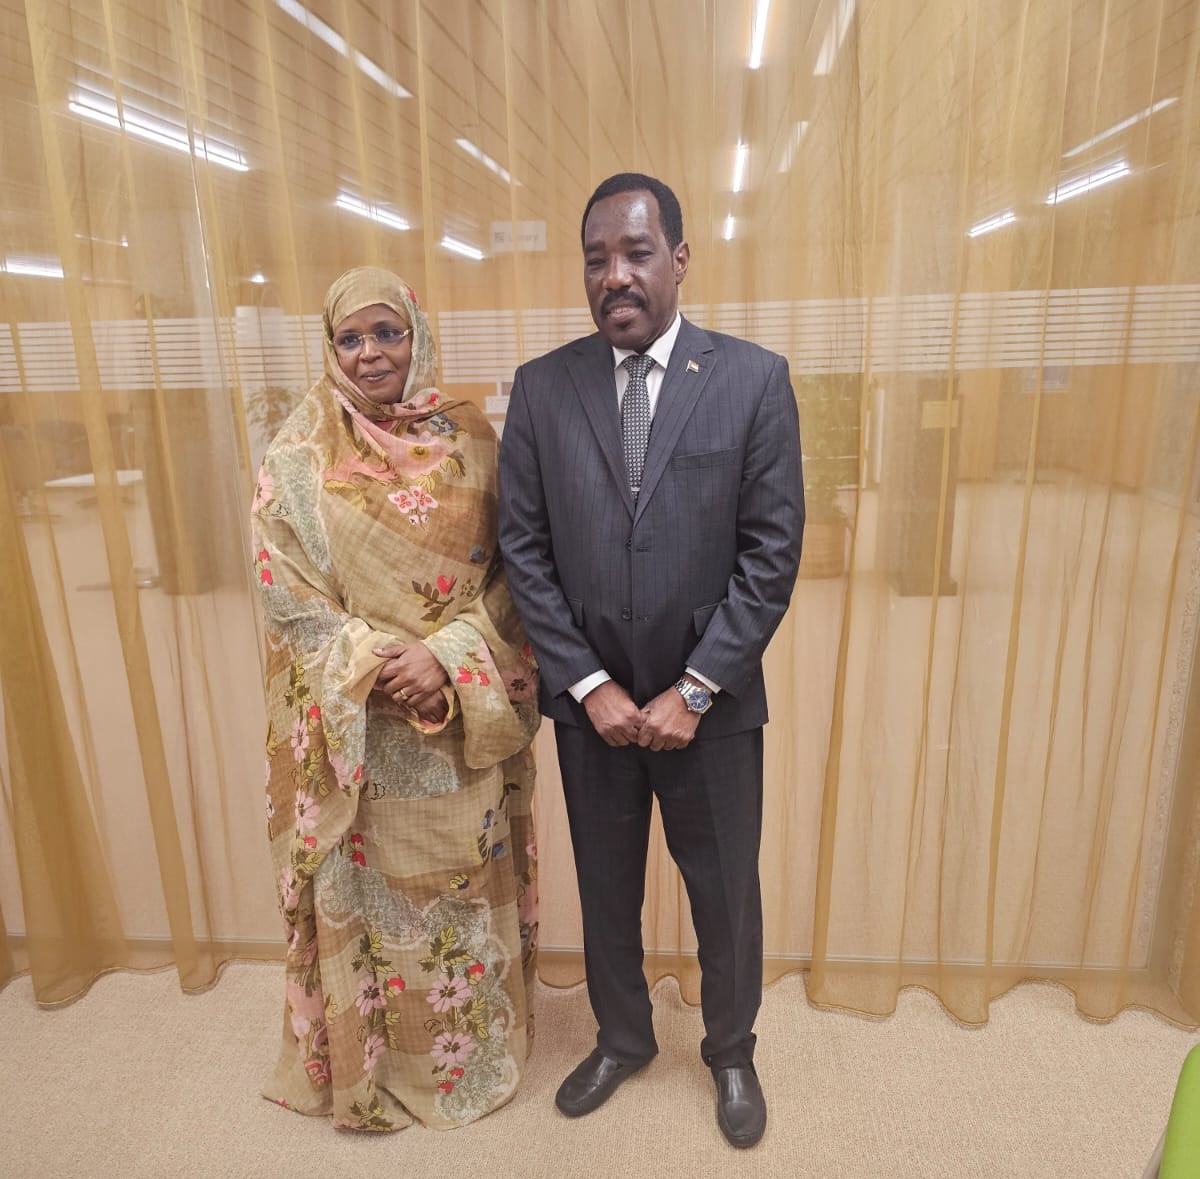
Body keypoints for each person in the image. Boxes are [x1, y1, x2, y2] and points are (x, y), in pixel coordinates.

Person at [498, 174, 804, 1149]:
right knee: (606, 885)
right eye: (596, 259)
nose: (614, 276)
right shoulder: (543, 388)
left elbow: (771, 553)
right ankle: (623, 1037)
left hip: (711, 708)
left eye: (635, 253)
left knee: (725, 891)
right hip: (593, 711)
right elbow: (523, 548)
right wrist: (587, 684)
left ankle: (731, 1050)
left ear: (679, 258)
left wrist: (695, 688)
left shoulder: (753, 380)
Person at [251, 266, 539, 1132]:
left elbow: (519, 569)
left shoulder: (473, 437)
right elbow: (284, 587)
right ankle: (376, 1063)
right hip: (362, 726)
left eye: (388, 332)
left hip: (459, 716)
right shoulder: (300, 451)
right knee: (379, 896)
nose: (371, 352)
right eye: (351, 337)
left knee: (456, 883)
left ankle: (467, 1055)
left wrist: (444, 656)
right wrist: (377, 660)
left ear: (418, 335)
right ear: (330, 347)